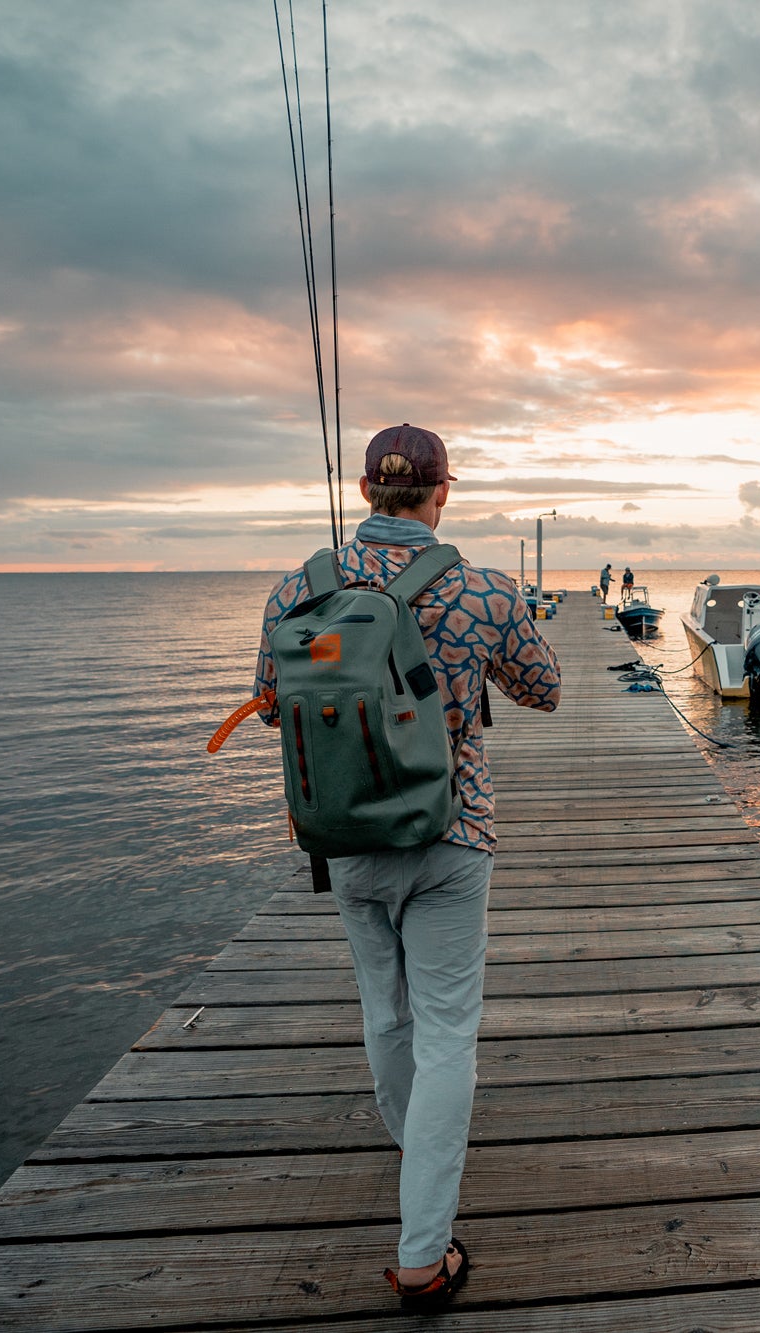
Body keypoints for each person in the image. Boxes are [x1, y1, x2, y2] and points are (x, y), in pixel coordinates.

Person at [253, 423, 560, 1309]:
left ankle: (417, 1147)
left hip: (345, 835)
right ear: (442, 492)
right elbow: (546, 690)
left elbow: (272, 707)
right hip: (451, 833)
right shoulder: (479, 587)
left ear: (361, 491)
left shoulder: (299, 588)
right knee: (448, 1029)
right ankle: (423, 1253)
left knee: (384, 1012)